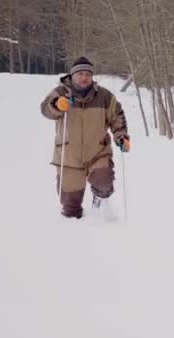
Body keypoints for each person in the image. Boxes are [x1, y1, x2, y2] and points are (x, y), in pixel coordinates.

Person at [40, 56, 130, 219]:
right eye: (80, 73)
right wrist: (57, 105)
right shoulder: (60, 93)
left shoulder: (104, 96)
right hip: (69, 156)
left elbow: (117, 116)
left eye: (88, 74)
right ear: (72, 75)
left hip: (98, 152)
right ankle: (74, 233)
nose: (84, 77)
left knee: (104, 183)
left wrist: (121, 137)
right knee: (70, 207)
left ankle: (99, 202)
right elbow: (45, 109)